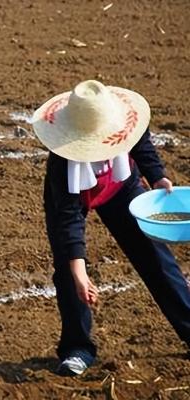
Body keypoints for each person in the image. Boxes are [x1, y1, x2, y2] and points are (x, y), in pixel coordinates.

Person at [32, 80, 190, 376]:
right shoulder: (63, 167)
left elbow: (139, 140)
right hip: (75, 198)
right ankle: (77, 347)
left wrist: (157, 176)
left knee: (155, 254)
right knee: (68, 271)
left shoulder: (124, 122)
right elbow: (69, 224)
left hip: (121, 185)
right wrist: (80, 275)